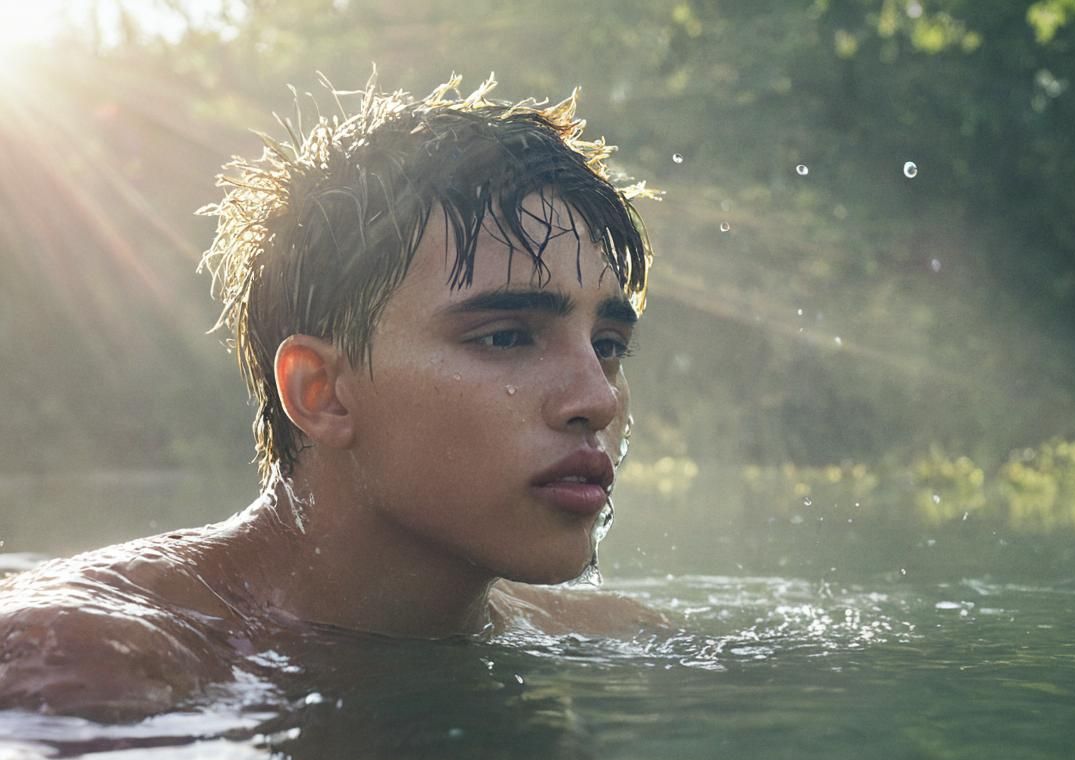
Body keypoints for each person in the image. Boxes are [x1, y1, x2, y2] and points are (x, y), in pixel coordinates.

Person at [0, 74, 665, 721]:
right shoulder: (83, 659)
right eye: (506, 337)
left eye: (608, 344)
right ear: (321, 393)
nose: (596, 398)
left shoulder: (613, 632)